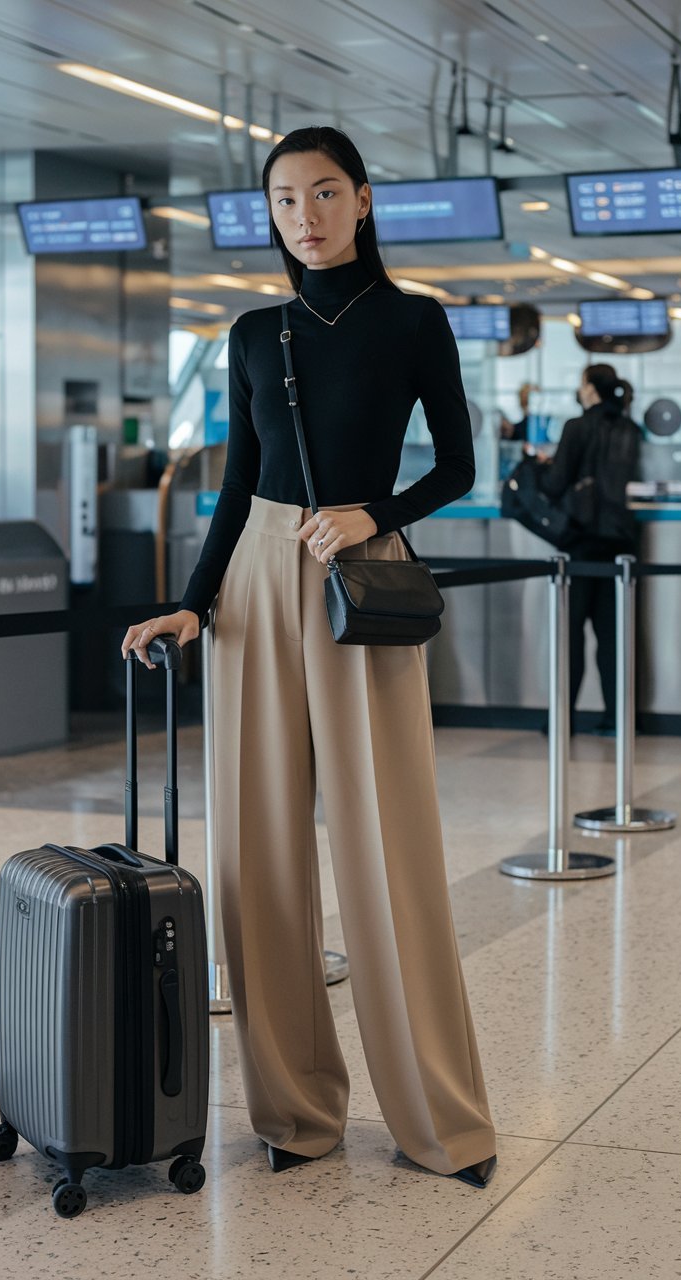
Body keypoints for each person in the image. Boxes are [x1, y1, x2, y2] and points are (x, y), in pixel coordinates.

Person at [122, 126, 497, 1187]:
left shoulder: (414, 321)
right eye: (285, 200)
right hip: (251, 580)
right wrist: (191, 606)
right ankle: (293, 1110)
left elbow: (458, 466)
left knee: (388, 847)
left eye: (325, 193)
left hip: (358, 577)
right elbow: (237, 485)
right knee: (258, 849)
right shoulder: (253, 334)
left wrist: (368, 510)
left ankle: (440, 1117)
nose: (306, 216)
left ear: (363, 200)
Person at [538, 364, 641, 734]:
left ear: (591, 389)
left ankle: (561, 720)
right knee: (614, 636)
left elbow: (555, 483)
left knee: (572, 635)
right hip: (622, 543)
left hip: (581, 542)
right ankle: (619, 720)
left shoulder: (576, 427)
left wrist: (539, 467)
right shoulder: (630, 428)